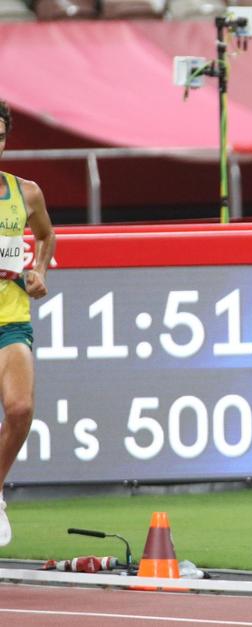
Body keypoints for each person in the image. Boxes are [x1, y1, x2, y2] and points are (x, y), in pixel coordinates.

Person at [0, 100, 56, 545]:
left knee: (20, 410)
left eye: (0, 135)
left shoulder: (25, 192)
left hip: (11, 319)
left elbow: (45, 234)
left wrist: (39, 272)